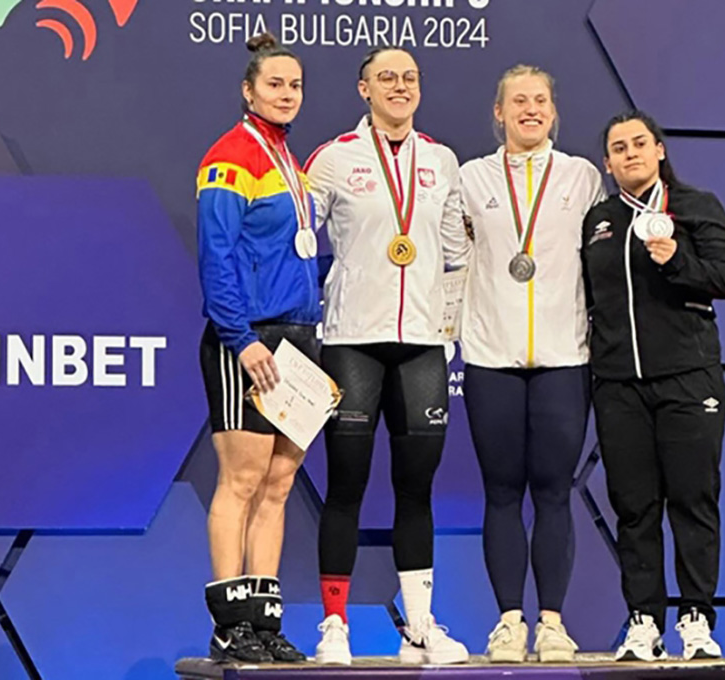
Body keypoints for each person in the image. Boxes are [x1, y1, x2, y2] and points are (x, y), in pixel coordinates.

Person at [303, 46, 470, 666]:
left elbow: (456, 250)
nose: (400, 87)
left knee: (416, 488)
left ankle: (420, 625)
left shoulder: (442, 160)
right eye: (387, 78)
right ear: (364, 89)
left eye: (410, 78)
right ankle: (335, 625)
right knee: (345, 485)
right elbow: (299, 239)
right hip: (352, 340)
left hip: (423, 344)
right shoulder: (333, 158)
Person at [581, 111, 725, 662]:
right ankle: (643, 620)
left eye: (639, 143)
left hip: (688, 378)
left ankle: (696, 619)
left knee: (693, 499)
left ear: (659, 150)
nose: (630, 153)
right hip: (619, 385)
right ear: (607, 164)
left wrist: (679, 260)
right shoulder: (599, 221)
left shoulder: (696, 206)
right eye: (618, 148)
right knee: (634, 507)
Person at [459, 65, 603, 663]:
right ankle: (507, 623)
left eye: (540, 99)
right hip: (491, 357)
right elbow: (453, 257)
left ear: (554, 110)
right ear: (499, 113)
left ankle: (552, 624)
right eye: (518, 100)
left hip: (564, 358)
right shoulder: (471, 178)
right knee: (500, 491)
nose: (530, 109)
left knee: (553, 491)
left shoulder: (582, 177)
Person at [196, 32, 318, 665]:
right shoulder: (230, 157)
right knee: (242, 480)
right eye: (274, 84)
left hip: (297, 339)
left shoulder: (288, 160)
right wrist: (239, 339)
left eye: (295, 85)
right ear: (249, 91)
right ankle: (229, 627)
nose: (286, 94)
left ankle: (265, 624)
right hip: (248, 339)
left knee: (279, 481)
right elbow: (216, 255)